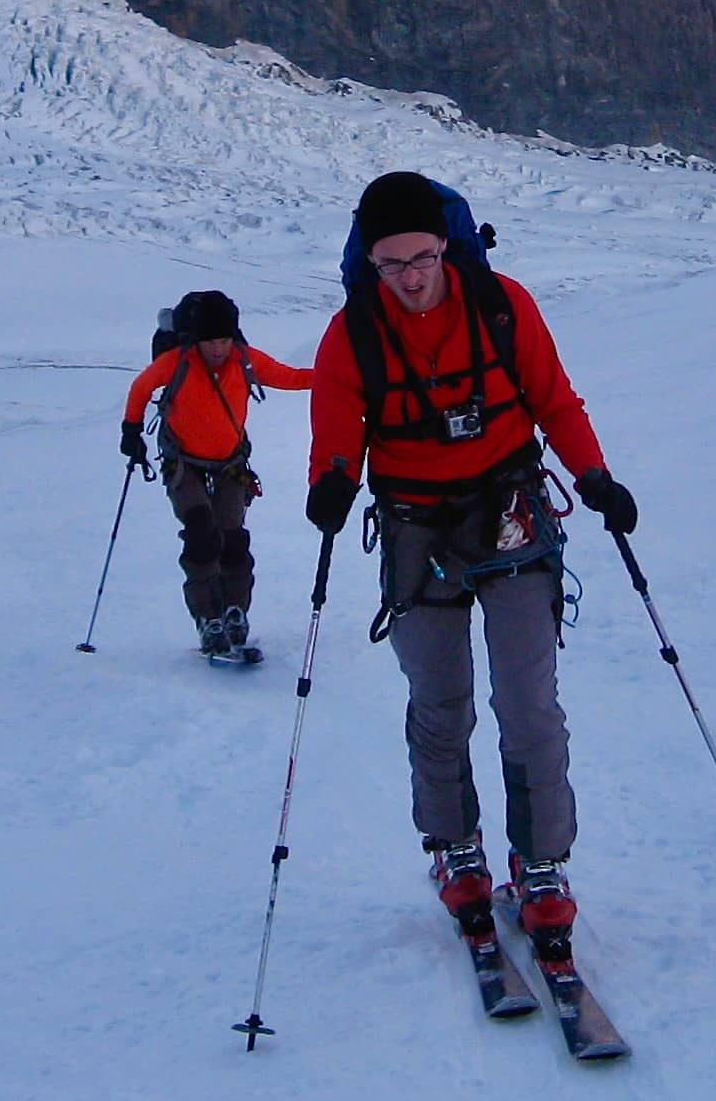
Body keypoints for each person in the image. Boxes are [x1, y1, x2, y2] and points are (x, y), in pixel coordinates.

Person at [303, 172, 635, 970]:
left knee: (528, 698)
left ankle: (541, 860)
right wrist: (334, 482)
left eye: (422, 256)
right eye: (391, 264)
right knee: (440, 700)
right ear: (368, 263)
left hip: (512, 510)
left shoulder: (501, 304)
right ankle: (456, 849)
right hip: (417, 524)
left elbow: (553, 399)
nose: (411, 277)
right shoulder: (350, 336)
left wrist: (594, 478)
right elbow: (336, 429)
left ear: (447, 246)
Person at [119, 290, 312, 659]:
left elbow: (290, 377)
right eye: (211, 341)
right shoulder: (178, 362)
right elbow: (141, 388)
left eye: (225, 339)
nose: (219, 348)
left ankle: (234, 611)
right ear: (197, 339)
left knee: (232, 539)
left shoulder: (245, 360)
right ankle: (209, 618)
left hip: (230, 464)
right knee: (201, 535)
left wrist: (340, 378)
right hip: (184, 463)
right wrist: (131, 430)